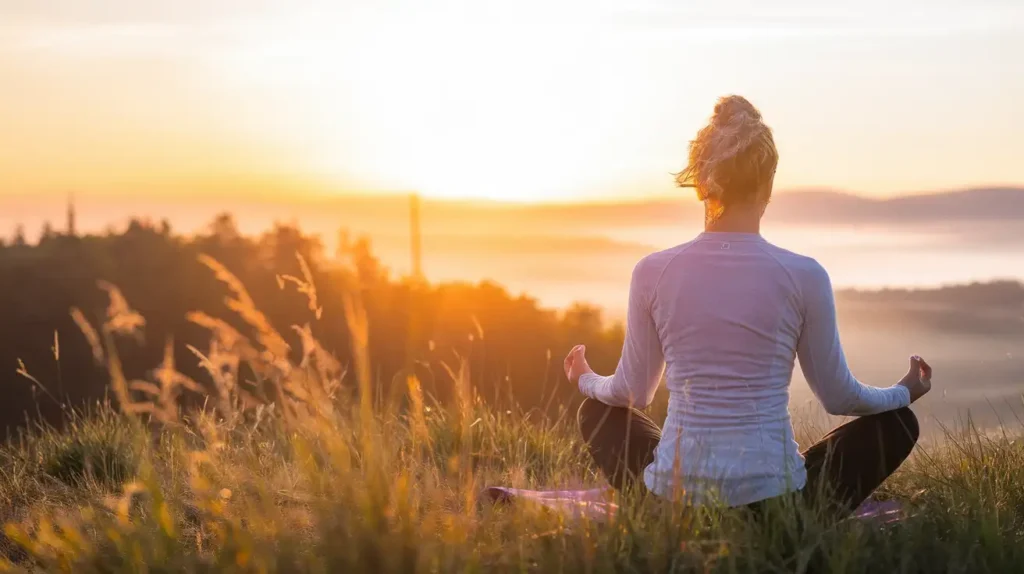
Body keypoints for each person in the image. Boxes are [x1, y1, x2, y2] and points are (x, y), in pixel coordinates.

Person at [563, 95, 932, 519]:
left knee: (598, 412)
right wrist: (906, 391)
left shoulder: (653, 271)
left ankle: (660, 514)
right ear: (768, 184)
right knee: (898, 422)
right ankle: (788, 525)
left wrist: (586, 380)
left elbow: (633, 394)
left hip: (677, 502)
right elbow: (839, 396)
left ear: (702, 183)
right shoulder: (804, 274)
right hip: (779, 506)